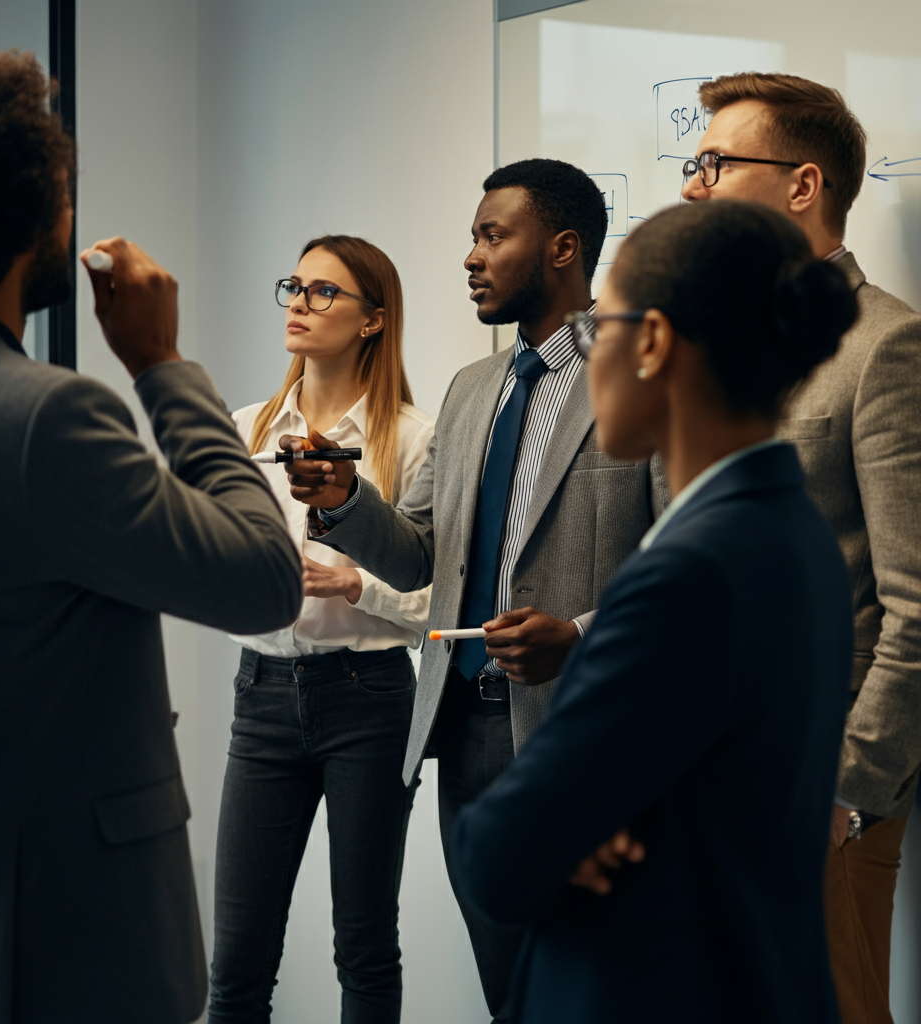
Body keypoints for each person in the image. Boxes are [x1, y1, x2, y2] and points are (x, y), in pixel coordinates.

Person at [0, 40, 302, 1024]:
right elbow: (260, 576)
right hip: (68, 945)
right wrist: (161, 364)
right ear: (33, 216)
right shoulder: (46, 417)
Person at [453, 199, 858, 1023]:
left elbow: (499, 855)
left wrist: (559, 832)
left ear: (652, 342)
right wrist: (579, 822)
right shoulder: (792, 529)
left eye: (602, 328)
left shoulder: (685, 574)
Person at [282, 159, 667, 1022]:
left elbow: (683, 566)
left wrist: (580, 632)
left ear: (562, 248)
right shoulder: (470, 391)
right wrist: (345, 500)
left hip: (585, 738)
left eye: (493, 236)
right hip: (464, 739)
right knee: (512, 996)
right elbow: (421, 554)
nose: (470, 256)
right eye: (472, 236)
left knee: (598, 992)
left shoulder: (642, 371)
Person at [681, 72, 921, 1024]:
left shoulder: (886, 347)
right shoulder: (724, 347)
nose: (693, 185)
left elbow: (915, 601)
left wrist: (848, 788)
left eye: (714, 162)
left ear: (802, 187)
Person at [208, 235, 433, 1023]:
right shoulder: (245, 427)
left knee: (364, 945)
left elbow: (443, 596)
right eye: (294, 287)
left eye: (323, 292)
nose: (299, 303)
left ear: (373, 320)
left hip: (368, 699)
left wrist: (356, 583)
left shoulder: (412, 437)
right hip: (261, 694)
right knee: (236, 958)